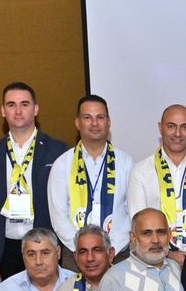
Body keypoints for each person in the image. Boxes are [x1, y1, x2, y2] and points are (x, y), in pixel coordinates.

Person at [125, 104, 186, 262]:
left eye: (184, 127)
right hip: (154, 259)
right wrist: (169, 254)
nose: (178, 133)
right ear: (160, 127)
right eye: (171, 126)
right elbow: (138, 220)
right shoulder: (141, 171)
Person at [0, 81, 68, 276]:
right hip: (5, 249)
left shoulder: (58, 151)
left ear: (35, 109)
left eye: (24, 104)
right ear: (3, 111)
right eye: (11, 105)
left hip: (45, 246)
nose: (18, 111)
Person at [48, 94, 134, 257]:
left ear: (109, 122)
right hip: (75, 254)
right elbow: (58, 215)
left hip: (117, 253)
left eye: (100, 117)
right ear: (77, 122)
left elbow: (132, 212)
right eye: (87, 117)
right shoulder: (62, 164)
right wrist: (81, 249)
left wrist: (113, 247)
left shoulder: (126, 162)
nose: (94, 123)